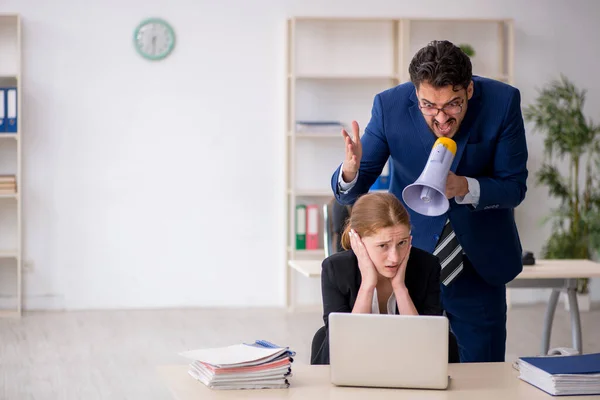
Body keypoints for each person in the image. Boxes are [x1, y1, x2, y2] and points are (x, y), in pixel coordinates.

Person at [330, 40, 528, 363]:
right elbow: (352, 189)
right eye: (428, 105)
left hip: (477, 265)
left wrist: (465, 186)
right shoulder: (389, 107)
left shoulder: (502, 103)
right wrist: (350, 171)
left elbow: (514, 187)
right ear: (415, 93)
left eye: (452, 104)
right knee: (408, 366)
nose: (440, 118)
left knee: (483, 375)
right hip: (410, 261)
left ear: (469, 90)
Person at [310, 192, 459, 365]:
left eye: (402, 243)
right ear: (357, 240)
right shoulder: (335, 270)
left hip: (410, 369)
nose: (394, 257)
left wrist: (400, 288)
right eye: (383, 246)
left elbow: (427, 349)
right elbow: (342, 348)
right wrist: (367, 285)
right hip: (355, 368)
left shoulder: (427, 267)